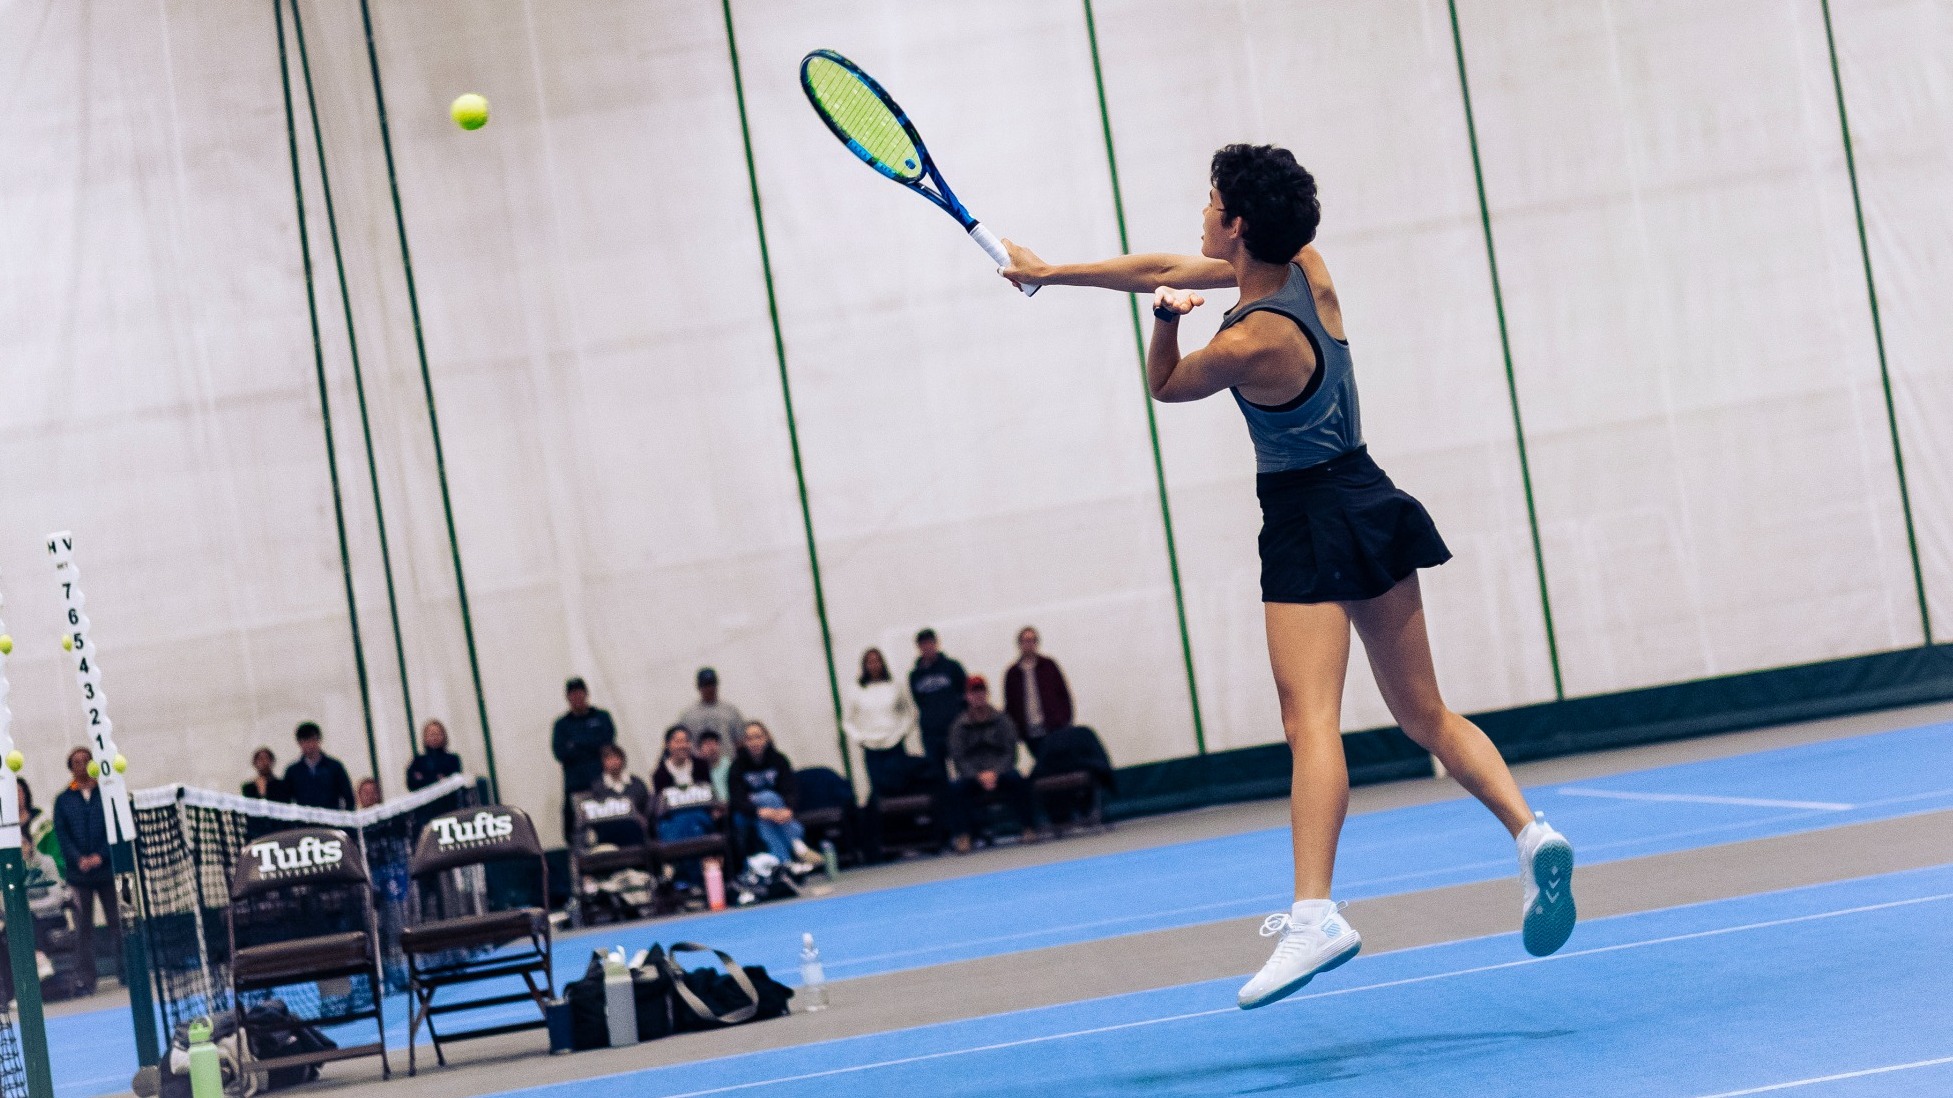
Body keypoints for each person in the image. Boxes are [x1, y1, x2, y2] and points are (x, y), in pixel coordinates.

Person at [1000, 143, 1576, 1009]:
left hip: (1307, 518)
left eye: (1209, 202)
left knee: (1309, 720)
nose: (1200, 212)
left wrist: (1164, 321)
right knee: (1424, 711)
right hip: (1371, 494)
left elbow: (1166, 386)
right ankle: (1530, 834)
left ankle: (1315, 916)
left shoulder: (1245, 340)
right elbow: (1161, 263)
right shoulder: (1307, 269)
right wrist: (1052, 270)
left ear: (1235, 225)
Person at [941, 676, 1039, 854]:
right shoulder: (958, 726)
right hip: (973, 776)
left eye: (981, 692)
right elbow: (958, 757)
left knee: (1018, 780)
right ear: (967, 696)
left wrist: (995, 772)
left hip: (1000, 773)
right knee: (955, 789)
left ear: (986, 694)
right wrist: (978, 775)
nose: (978, 696)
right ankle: (964, 836)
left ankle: (1028, 828)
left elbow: (1010, 751)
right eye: (974, 692)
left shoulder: (1003, 720)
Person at [53, 747, 118, 995]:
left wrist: (100, 855)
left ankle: (126, 973)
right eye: (76, 762)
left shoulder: (107, 794)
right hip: (78, 875)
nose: (81, 765)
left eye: (86, 761)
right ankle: (86, 980)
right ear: (71, 767)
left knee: (117, 922)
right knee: (83, 929)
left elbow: (114, 827)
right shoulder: (63, 799)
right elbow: (62, 834)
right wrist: (79, 858)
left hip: (106, 871)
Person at [728, 721, 821, 873]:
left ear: (767, 738)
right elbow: (737, 799)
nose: (754, 742)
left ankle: (784, 863)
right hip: (748, 813)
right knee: (767, 797)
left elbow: (791, 789)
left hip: (777, 813)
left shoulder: (779, 759)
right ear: (743, 742)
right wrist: (758, 811)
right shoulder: (737, 766)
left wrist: (788, 809)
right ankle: (796, 843)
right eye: (749, 738)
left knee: (767, 814)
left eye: (758, 737)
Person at [843, 647, 931, 797]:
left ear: (882, 663)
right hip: (872, 749)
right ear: (864, 665)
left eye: (877, 661)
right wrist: (860, 738)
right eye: (870, 662)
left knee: (900, 786)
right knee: (878, 791)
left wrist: (901, 732)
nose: (874, 665)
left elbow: (909, 712)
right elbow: (847, 721)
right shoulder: (856, 690)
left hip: (894, 745)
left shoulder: (894, 685)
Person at [650, 726, 721, 888]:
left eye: (686, 741)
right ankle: (691, 881)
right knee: (683, 827)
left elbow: (710, 797)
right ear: (668, 745)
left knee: (693, 822)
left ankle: (687, 880)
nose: (683, 745)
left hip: (700, 817)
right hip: (673, 821)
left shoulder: (701, 766)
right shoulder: (660, 773)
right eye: (678, 741)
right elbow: (661, 809)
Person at [552, 677, 617, 843]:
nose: (577, 698)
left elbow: (607, 744)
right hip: (576, 787)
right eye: (573, 694)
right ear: (567, 697)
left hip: (602, 783)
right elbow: (560, 753)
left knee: (607, 826)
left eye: (580, 693)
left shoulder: (602, 717)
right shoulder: (562, 725)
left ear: (586, 694)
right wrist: (592, 744)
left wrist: (576, 744)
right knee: (579, 831)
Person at [1002, 626, 1074, 760]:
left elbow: (1063, 695)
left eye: (1032, 640)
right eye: (1025, 641)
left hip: (1053, 727)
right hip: (1029, 731)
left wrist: (1065, 720)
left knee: (1057, 760)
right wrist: (1015, 731)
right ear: (1019, 644)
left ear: (1037, 643)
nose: (1029, 644)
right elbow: (1010, 704)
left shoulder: (1049, 666)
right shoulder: (1012, 674)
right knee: (1042, 761)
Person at [908, 628, 968, 783]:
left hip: (954, 729)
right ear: (919, 647)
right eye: (923, 644)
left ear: (936, 644)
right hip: (931, 734)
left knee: (964, 771)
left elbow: (965, 694)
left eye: (930, 643)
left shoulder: (952, 667)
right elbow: (919, 701)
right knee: (938, 777)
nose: (927, 647)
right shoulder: (915, 676)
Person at [585, 742, 654, 846]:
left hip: (635, 830)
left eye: (616, 758)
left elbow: (647, 807)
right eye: (608, 759)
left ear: (623, 759)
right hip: (608, 832)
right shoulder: (597, 787)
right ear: (603, 762)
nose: (613, 762)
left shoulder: (636, 783)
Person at [283, 722, 355, 811]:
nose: (309, 745)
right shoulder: (292, 771)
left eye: (313, 739)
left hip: (332, 820)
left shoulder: (334, 767)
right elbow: (286, 801)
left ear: (319, 740)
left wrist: (346, 820)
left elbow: (348, 797)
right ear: (299, 743)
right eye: (305, 741)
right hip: (305, 822)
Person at [678, 667, 745, 747]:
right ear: (698, 687)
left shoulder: (731, 711)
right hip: (698, 759)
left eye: (712, 684)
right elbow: (681, 740)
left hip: (726, 758)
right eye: (706, 685)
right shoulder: (688, 715)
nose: (710, 689)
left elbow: (740, 740)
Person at [405, 719, 463, 792]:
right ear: (425, 738)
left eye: (438, 734)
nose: (435, 738)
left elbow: (455, 782)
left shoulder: (452, 759)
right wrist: (437, 779)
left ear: (444, 736)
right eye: (431, 735)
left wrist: (424, 778)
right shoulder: (418, 761)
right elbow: (412, 784)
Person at [693, 729, 732, 803]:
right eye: (707, 744)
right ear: (699, 750)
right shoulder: (697, 769)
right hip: (709, 807)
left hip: (731, 805)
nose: (712, 748)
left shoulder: (728, 765)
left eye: (715, 743)